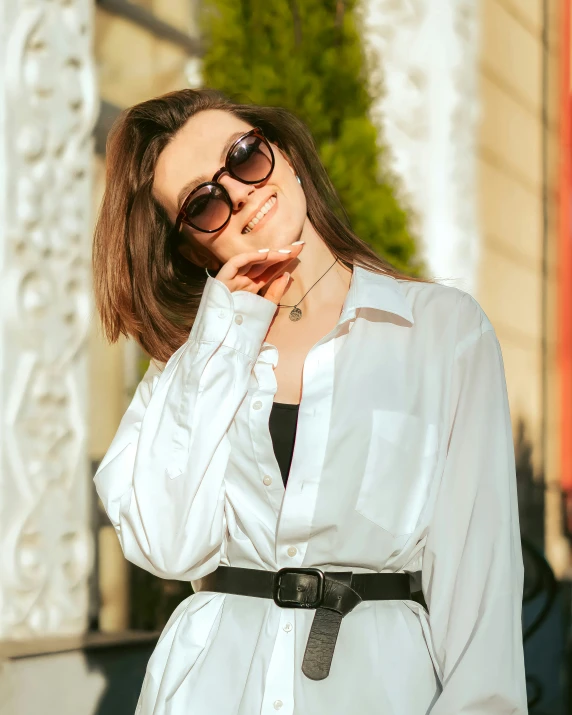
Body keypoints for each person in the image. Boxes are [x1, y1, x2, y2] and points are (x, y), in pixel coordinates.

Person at [92, 88, 528, 715]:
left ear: (287, 156)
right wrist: (225, 333)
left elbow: (479, 576)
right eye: (203, 202)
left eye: (244, 156)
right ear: (191, 247)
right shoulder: (186, 368)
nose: (238, 192)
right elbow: (167, 546)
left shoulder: (441, 332)